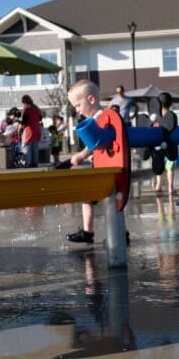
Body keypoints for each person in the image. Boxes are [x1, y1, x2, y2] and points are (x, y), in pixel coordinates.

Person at [65, 80, 104, 244]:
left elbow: (97, 141)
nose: (77, 110)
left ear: (91, 100)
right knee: (88, 197)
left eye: (78, 105)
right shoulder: (96, 118)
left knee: (109, 199)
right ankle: (88, 232)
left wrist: (81, 155)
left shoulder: (101, 118)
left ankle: (92, 232)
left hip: (109, 168)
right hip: (102, 166)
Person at [153, 92, 178, 194]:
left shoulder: (156, 117)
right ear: (170, 103)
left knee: (159, 164)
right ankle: (170, 188)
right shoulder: (172, 116)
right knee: (170, 167)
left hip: (158, 145)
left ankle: (158, 185)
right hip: (170, 144)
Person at [18, 94, 42, 167]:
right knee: (35, 148)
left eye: (22, 103)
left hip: (29, 131)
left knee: (27, 148)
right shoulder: (37, 109)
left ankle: (28, 163)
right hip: (37, 130)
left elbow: (24, 122)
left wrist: (19, 128)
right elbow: (40, 118)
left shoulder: (27, 110)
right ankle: (35, 163)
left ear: (24, 102)